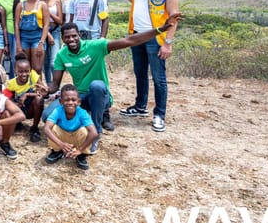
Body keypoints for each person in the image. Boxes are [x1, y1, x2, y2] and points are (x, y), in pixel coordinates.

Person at [42, 13, 183, 152]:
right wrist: (47, 90)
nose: (71, 39)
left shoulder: (95, 46)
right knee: (47, 116)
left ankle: (95, 132)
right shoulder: (62, 55)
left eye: (74, 35)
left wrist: (160, 30)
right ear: (62, 38)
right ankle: (79, 127)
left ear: (79, 35)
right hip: (80, 99)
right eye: (67, 37)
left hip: (100, 96)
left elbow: (129, 41)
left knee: (96, 86)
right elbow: (55, 84)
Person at [110, 0, 179, 133]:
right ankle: (140, 106)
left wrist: (168, 43)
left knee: (158, 77)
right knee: (140, 73)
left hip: (156, 37)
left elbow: (173, 16)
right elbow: (138, 2)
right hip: (137, 36)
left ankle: (159, 115)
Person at [43, 84, 99, 170]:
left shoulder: (82, 113)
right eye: (67, 100)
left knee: (85, 131)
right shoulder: (58, 110)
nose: (70, 103)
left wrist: (80, 149)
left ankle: (81, 155)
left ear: (79, 102)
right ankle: (57, 151)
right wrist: (60, 144)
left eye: (73, 100)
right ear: (61, 102)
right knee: (53, 128)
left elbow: (94, 133)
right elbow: (46, 128)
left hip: (77, 139)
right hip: (62, 139)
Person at [4, 53, 46, 143]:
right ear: (15, 71)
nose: (24, 74)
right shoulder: (11, 83)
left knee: (39, 100)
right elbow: (5, 100)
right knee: (7, 109)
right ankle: (17, 122)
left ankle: (34, 128)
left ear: (30, 70)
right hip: (19, 109)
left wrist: (27, 95)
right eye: (20, 71)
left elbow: (43, 92)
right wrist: (16, 104)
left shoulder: (33, 76)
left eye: (27, 71)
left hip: (31, 109)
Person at [15, 0, 49, 77]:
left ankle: (39, 90)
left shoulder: (42, 5)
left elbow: (46, 25)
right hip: (24, 39)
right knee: (25, 68)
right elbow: (16, 25)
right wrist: (18, 44)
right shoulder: (21, 5)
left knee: (37, 68)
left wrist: (41, 43)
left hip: (37, 38)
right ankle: (28, 91)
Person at [40, 0, 64, 85]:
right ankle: (49, 86)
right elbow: (38, 21)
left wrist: (48, 13)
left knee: (54, 61)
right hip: (42, 31)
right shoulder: (39, 2)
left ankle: (56, 85)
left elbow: (60, 20)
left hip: (55, 30)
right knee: (45, 61)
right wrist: (47, 35)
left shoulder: (57, 1)